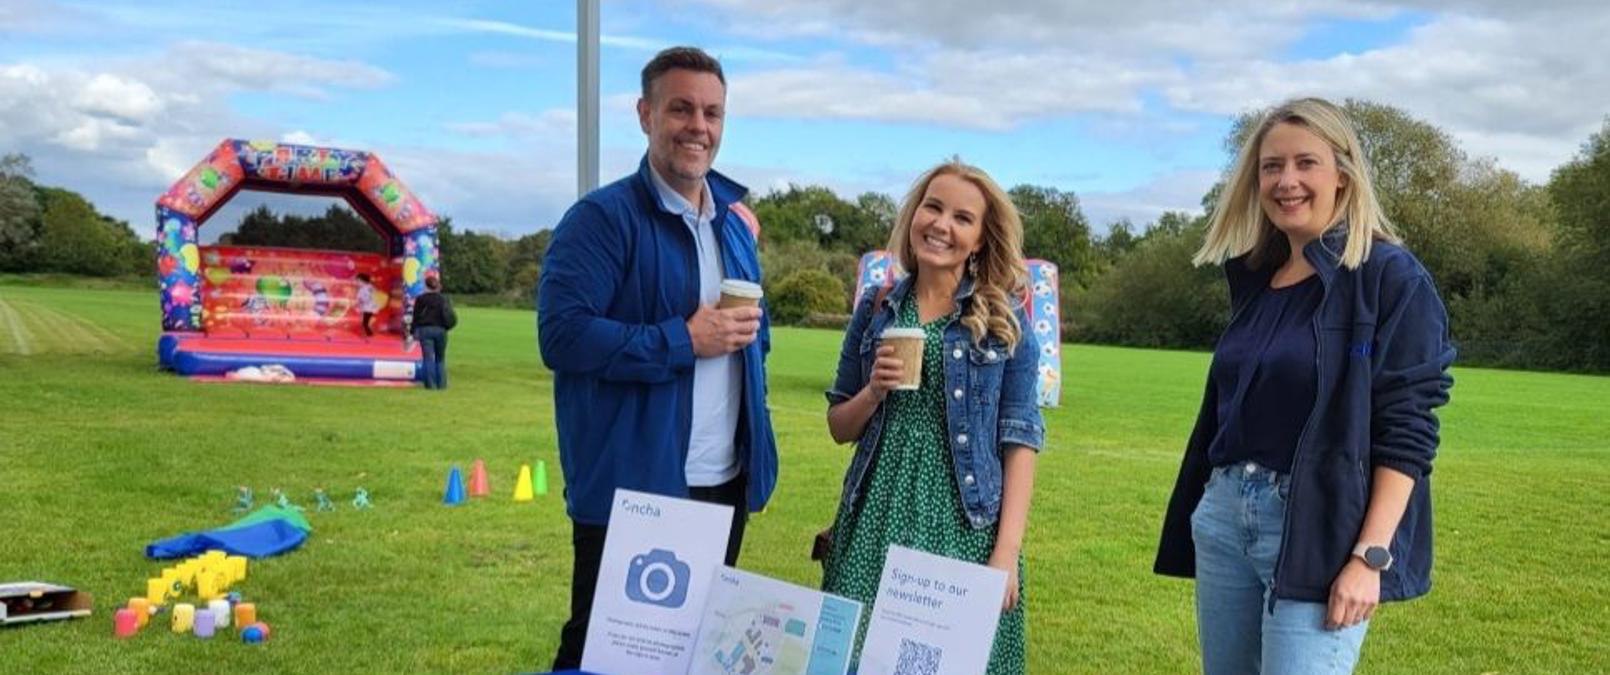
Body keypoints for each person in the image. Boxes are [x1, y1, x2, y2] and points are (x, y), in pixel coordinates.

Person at [1153, 97, 1456, 674]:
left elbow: (1409, 429)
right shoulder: (1258, 280)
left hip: (1321, 528)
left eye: (1305, 163)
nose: (1286, 181)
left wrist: (1370, 558)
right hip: (1224, 517)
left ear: (1342, 175)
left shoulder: (1390, 277)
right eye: (1271, 167)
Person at [536, 46, 776, 671]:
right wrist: (682, 340)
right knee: (603, 654)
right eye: (681, 109)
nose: (699, 126)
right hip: (634, 485)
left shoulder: (732, 226)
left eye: (713, 113)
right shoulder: (599, 220)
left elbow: (750, 344)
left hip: (722, 481)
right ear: (645, 115)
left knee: (695, 652)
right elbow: (562, 336)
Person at [822, 160, 1044, 674]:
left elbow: (1021, 442)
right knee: (857, 659)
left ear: (980, 240)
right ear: (914, 214)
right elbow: (839, 426)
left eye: (962, 218)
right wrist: (874, 392)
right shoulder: (875, 308)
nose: (942, 225)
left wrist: (1005, 553)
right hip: (875, 513)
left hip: (965, 524)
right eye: (933, 207)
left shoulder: (1004, 322)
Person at [410, 275, 455, 389]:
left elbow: (416, 317)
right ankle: (442, 384)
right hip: (441, 330)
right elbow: (449, 315)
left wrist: (412, 331)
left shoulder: (421, 299)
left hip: (425, 330)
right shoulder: (444, 299)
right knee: (440, 358)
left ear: (425, 286)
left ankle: (430, 385)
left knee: (428, 358)